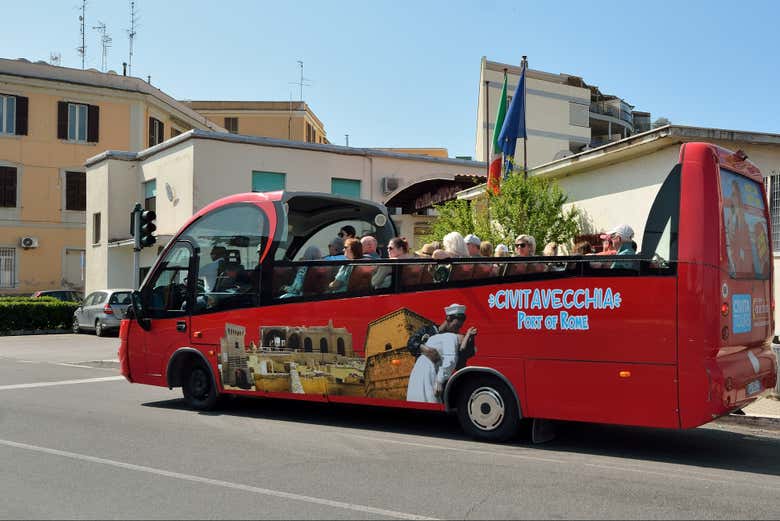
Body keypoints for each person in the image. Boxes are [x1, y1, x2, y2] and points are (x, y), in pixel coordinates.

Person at [406, 303, 477, 404]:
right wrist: (426, 350)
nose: (458, 330)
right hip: (425, 372)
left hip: (436, 374)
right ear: (448, 319)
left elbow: (458, 360)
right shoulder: (429, 330)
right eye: (456, 326)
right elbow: (411, 343)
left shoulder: (452, 337)